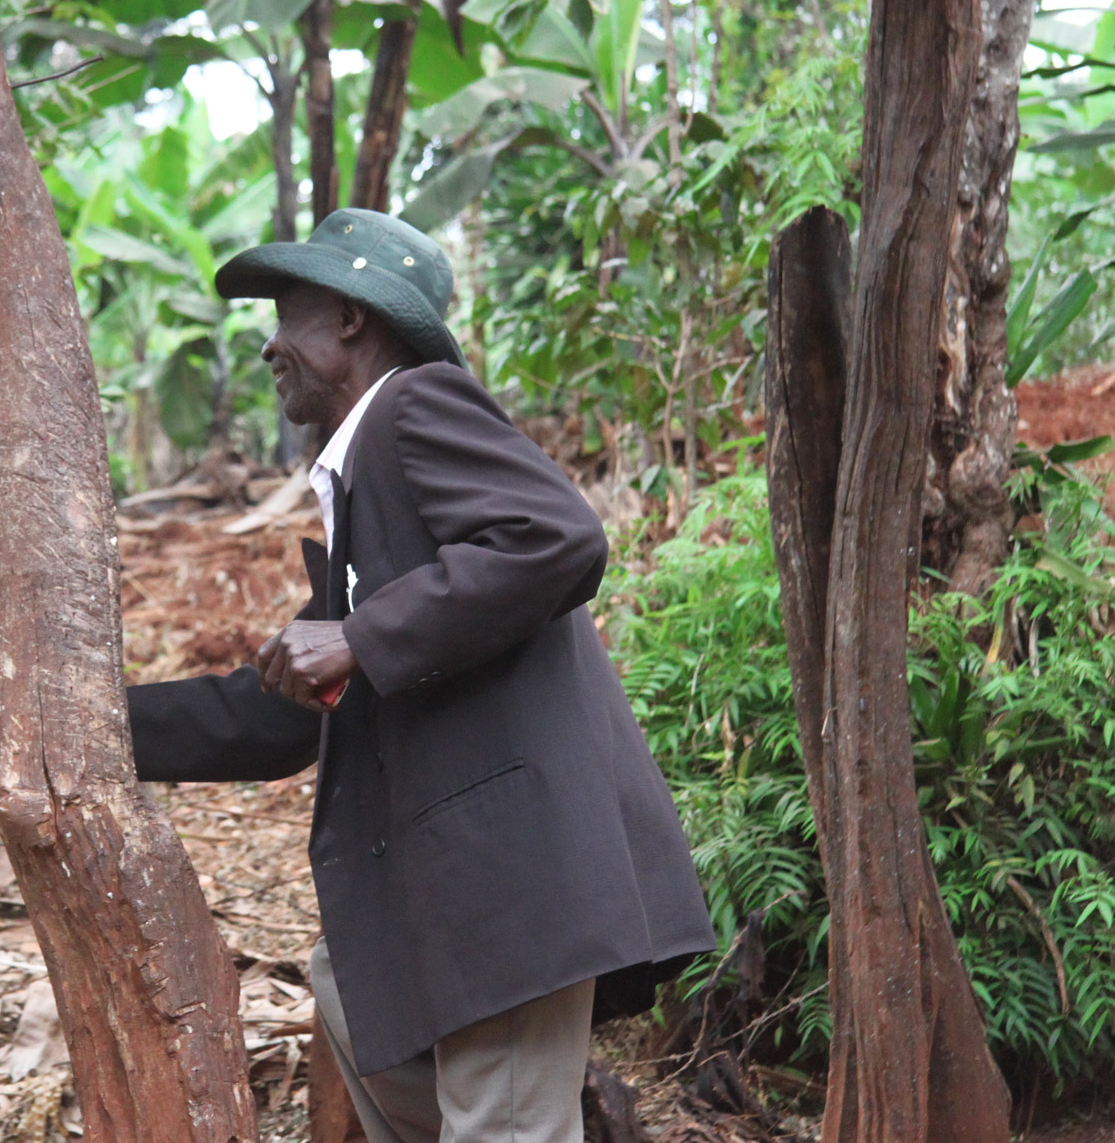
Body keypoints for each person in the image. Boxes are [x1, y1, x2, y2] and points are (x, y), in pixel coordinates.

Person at [126, 208, 715, 1143]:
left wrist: (356, 635)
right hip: (453, 898)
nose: (272, 342)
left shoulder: (414, 404)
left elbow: (558, 535)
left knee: (502, 1127)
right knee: (352, 988)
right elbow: (285, 713)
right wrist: (99, 727)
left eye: (288, 311)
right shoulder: (365, 480)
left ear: (353, 319)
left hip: (509, 887)